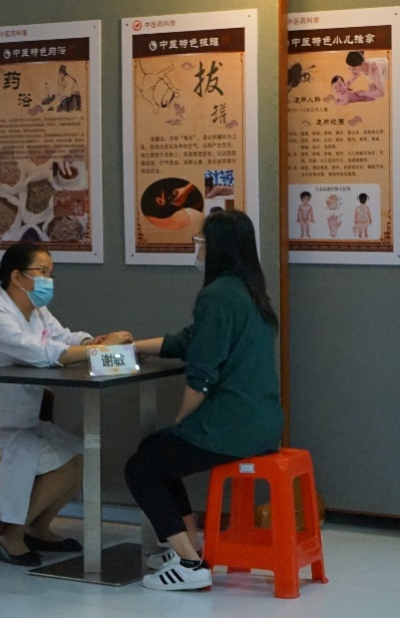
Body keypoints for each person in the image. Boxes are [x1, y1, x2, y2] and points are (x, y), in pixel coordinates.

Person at [125, 210, 283, 591]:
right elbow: (189, 340)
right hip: (264, 422)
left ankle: (189, 563)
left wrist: (182, 423)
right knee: (157, 450)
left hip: (231, 426)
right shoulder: (250, 293)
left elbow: (201, 377)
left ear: (217, 249)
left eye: (201, 242)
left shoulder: (217, 295)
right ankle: (185, 547)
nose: (196, 248)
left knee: (141, 467)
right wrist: (134, 346)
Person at [0, 242, 131, 566]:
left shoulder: (35, 310)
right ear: (17, 277)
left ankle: (38, 528)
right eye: (41, 272)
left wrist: (91, 341)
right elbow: (40, 353)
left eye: (50, 274)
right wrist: (98, 351)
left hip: (22, 420)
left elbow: (62, 337)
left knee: (81, 456)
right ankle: (10, 534)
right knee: (65, 466)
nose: (47, 281)